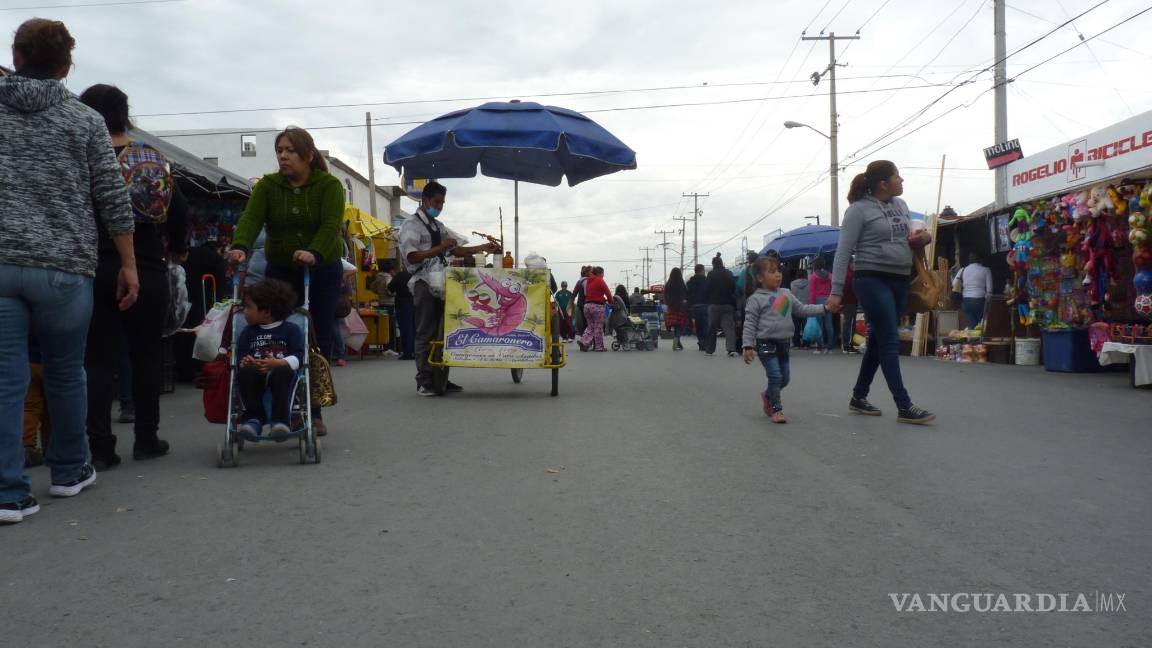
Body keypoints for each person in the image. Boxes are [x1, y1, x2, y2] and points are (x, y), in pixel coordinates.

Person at [1, 19, 139, 523]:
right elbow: (111, 198)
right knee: (65, 368)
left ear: (15, 55)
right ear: (65, 66)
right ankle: (69, 470)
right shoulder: (84, 121)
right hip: (64, 268)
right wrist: (127, 264)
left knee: (5, 379)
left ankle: (8, 492)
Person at [80, 84, 190, 468]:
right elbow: (179, 213)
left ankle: (100, 447)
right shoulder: (154, 158)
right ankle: (146, 437)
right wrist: (177, 247)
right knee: (146, 354)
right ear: (125, 114)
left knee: (97, 359)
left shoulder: (83, 156)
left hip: (94, 266)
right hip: (147, 264)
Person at [229, 127, 347, 434]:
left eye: (290, 150)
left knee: (314, 334)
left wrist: (314, 252)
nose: (283, 156)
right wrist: (240, 245)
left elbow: (331, 225)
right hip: (281, 269)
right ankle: (274, 404)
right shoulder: (268, 186)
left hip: (321, 268)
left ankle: (313, 408)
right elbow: (252, 219)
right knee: (274, 331)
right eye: (279, 150)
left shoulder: (329, 186)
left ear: (307, 155)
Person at [826, 160, 936, 425]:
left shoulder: (901, 205)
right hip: (871, 280)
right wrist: (836, 291)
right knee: (888, 339)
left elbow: (907, 237)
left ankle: (858, 397)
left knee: (877, 341)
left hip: (899, 280)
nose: (901, 181)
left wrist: (924, 238)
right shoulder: (858, 211)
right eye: (897, 177)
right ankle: (904, 405)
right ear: (883, 184)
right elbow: (843, 253)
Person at [397, 181, 499, 396]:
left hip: (441, 283)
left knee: (444, 330)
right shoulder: (411, 225)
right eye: (436, 202)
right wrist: (439, 248)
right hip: (424, 283)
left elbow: (455, 250)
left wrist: (481, 248)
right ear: (424, 200)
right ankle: (424, 380)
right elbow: (412, 256)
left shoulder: (438, 226)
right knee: (425, 331)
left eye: (442, 203)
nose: (439, 206)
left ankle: (440, 377)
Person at [742, 257, 830, 423]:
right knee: (775, 376)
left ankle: (768, 394)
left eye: (778, 271)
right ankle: (777, 409)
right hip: (765, 343)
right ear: (760, 278)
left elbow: (803, 309)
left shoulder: (786, 294)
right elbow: (750, 324)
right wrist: (747, 346)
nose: (778, 275)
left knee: (785, 378)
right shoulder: (756, 299)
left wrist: (824, 308)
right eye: (772, 272)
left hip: (784, 343)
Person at [234, 279, 305, 441]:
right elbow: (241, 356)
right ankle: (253, 419)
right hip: (256, 371)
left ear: (266, 311)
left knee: (283, 372)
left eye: (248, 307)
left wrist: (279, 363)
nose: (244, 311)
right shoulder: (248, 333)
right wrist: (245, 362)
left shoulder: (290, 330)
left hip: (280, 370)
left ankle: (280, 422)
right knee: (245, 374)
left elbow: (299, 356)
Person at [704, 254, 738, 357]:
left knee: (712, 328)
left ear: (713, 264)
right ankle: (731, 349)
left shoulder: (710, 274)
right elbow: (733, 288)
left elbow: (707, 289)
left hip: (714, 304)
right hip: (728, 304)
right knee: (729, 328)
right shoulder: (729, 273)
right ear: (722, 263)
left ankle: (710, 350)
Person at [576, 267, 612, 352]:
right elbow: (608, 292)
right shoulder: (600, 280)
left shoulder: (588, 281)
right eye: (603, 273)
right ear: (599, 273)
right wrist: (611, 301)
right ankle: (599, 347)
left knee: (590, 326)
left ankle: (583, 341)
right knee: (598, 327)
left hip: (587, 306)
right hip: (597, 306)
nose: (603, 275)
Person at [957, 251, 994, 328]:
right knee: (982, 326)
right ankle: (981, 339)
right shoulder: (986, 270)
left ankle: (972, 339)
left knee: (972, 326)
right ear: (981, 260)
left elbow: (954, 284)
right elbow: (989, 290)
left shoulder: (962, 270)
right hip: (980, 301)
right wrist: (989, 304)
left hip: (966, 302)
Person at [807, 256, 834, 353]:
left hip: (817, 301)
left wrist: (811, 304)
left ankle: (819, 347)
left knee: (819, 325)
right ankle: (830, 348)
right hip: (828, 300)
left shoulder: (813, 277)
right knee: (829, 324)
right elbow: (832, 289)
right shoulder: (830, 275)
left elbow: (812, 292)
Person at [387, 268, 415, 360]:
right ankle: (416, 351)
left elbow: (390, 288)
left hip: (403, 304)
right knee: (416, 327)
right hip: (418, 303)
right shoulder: (419, 273)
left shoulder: (400, 275)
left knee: (405, 328)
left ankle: (408, 352)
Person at [663, 267, 689, 351]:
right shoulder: (682, 284)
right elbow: (686, 295)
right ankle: (677, 338)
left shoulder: (668, 284)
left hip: (671, 307)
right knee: (680, 325)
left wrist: (668, 303)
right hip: (680, 306)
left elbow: (665, 295)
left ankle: (677, 341)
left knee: (675, 324)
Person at [685, 264, 709, 350]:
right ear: (702, 270)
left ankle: (701, 341)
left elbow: (687, 294)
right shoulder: (706, 281)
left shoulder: (690, 282)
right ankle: (705, 342)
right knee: (705, 324)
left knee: (698, 325)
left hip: (694, 306)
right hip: (705, 304)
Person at [840, 261, 860, 353]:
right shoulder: (850, 275)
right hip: (850, 301)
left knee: (848, 322)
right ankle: (847, 345)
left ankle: (847, 344)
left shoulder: (848, 274)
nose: (854, 265)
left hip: (849, 301)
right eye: (853, 264)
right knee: (850, 323)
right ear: (850, 264)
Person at [789, 267, 810, 348]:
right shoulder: (809, 283)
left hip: (795, 308)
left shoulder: (792, 284)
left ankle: (796, 343)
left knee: (796, 327)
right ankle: (806, 344)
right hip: (806, 307)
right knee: (806, 327)